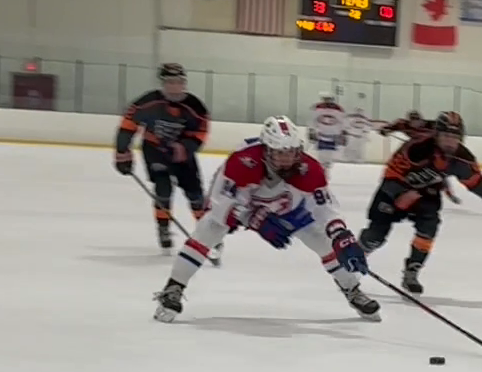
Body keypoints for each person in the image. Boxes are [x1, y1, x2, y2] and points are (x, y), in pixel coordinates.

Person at [151, 116, 380, 324]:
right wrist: (250, 217)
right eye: (280, 153)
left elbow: (325, 207)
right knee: (209, 228)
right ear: (266, 150)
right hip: (245, 205)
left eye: (291, 152)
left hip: (290, 208)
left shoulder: (309, 168)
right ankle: (174, 288)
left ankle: (352, 289)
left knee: (323, 242)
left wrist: (341, 234)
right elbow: (217, 201)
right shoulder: (242, 161)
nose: (287, 159)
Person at [362, 111, 482, 293]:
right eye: (445, 136)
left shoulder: (462, 158)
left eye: (455, 137)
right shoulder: (417, 149)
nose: (450, 142)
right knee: (377, 235)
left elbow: (476, 183)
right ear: (436, 135)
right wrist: (400, 194)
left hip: (426, 192)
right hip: (395, 189)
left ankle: (412, 270)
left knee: (429, 228)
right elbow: (390, 175)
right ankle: (357, 254)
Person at [115, 62, 211, 250]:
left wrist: (185, 147)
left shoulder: (195, 106)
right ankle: (163, 228)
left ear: (184, 83)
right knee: (163, 190)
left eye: (179, 82)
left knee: (195, 195)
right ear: (162, 83)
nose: (174, 86)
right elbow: (128, 125)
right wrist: (122, 152)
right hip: (155, 151)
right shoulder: (149, 102)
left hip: (182, 155)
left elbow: (201, 131)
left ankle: (206, 232)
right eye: (170, 82)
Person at [307, 91, 348, 170]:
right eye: (325, 99)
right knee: (321, 157)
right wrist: (311, 130)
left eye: (328, 99)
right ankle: (322, 173)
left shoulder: (338, 110)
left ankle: (325, 173)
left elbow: (342, 122)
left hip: (332, 137)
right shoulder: (318, 108)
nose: (327, 101)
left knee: (328, 158)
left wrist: (343, 133)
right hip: (321, 136)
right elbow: (313, 120)